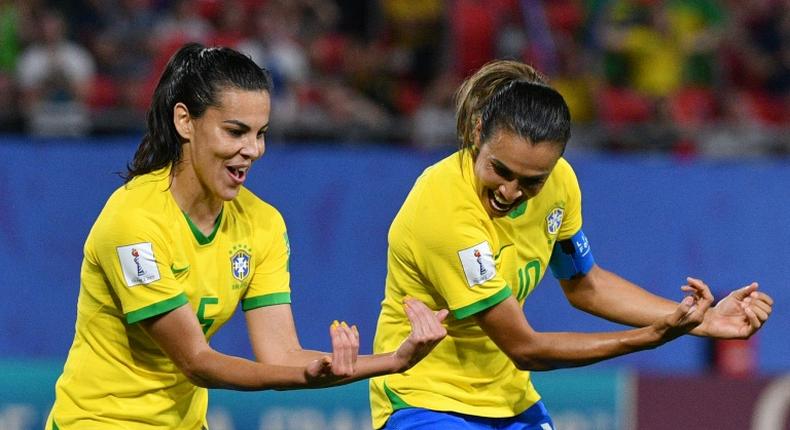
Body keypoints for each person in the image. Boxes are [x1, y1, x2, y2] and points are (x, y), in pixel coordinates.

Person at [45, 43, 449, 429]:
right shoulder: (133, 221)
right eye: (236, 131)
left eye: (260, 133)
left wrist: (394, 360)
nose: (253, 150)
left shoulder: (263, 224)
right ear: (185, 121)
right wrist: (327, 374)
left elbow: (283, 354)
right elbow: (197, 360)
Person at [369, 59, 773, 430]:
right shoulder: (445, 212)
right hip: (423, 402)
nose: (510, 193)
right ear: (478, 133)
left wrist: (702, 320)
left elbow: (586, 285)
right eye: (500, 170)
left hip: (509, 400)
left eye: (531, 181)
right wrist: (651, 336)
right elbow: (525, 348)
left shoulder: (560, 183)